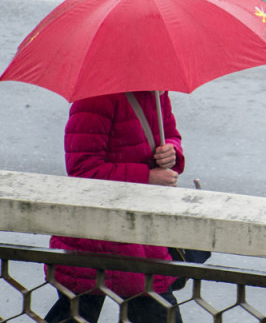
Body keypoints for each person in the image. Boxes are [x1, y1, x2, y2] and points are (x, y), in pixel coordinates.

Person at [44, 91, 185, 323]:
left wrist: (171, 152)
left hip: (139, 235)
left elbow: (169, 134)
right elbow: (83, 170)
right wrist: (147, 177)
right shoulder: (95, 97)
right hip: (95, 237)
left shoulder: (157, 90)